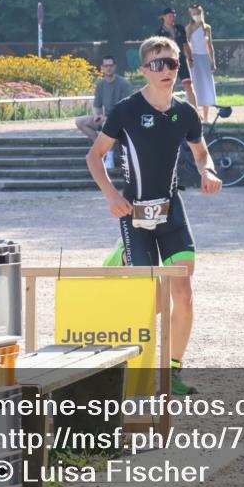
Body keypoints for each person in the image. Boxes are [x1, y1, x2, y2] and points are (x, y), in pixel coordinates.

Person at [86, 36, 222, 396]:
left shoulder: (185, 113)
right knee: (149, 299)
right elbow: (94, 157)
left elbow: (201, 153)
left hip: (171, 209)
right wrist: (112, 196)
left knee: (185, 291)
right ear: (144, 70)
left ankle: (171, 371)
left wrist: (207, 172)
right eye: (157, 64)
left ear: (179, 67)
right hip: (133, 212)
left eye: (172, 63)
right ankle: (123, 257)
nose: (165, 71)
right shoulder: (127, 110)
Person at [185, 4, 217, 122]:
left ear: (202, 13)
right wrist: (189, 58)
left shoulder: (207, 28)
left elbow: (210, 45)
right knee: (195, 86)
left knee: (206, 86)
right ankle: (195, 115)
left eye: (198, 13)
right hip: (194, 58)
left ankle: (206, 117)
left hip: (205, 58)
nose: (196, 15)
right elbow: (186, 44)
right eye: (194, 13)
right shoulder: (189, 28)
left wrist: (213, 61)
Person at [157, 7, 195, 106]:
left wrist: (190, 58)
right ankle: (168, 110)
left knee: (188, 86)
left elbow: (185, 44)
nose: (172, 18)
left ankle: (195, 113)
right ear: (164, 17)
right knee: (169, 86)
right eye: (169, 16)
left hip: (181, 59)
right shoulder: (159, 32)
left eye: (173, 16)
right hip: (167, 62)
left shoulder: (179, 28)